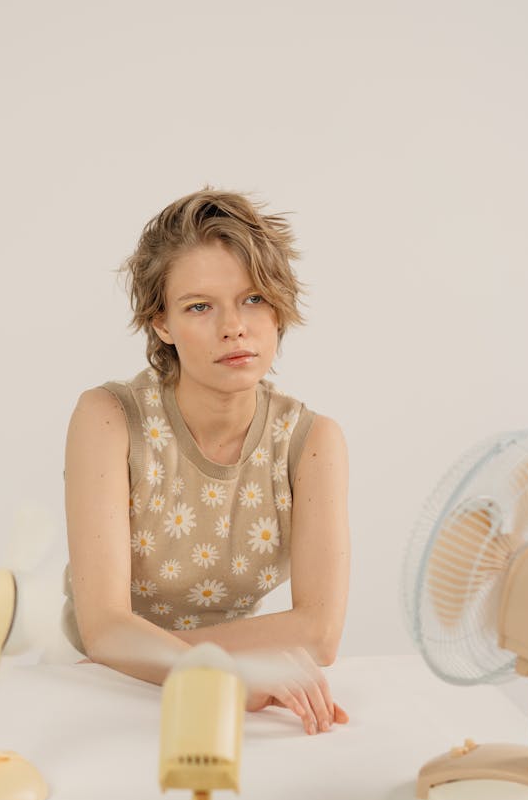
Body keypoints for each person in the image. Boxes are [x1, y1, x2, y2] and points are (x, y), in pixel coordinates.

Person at [63, 189, 350, 734]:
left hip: (236, 684)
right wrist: (220, 671)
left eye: (254, 299)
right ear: (162, 324)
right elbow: (101, 629)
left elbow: (319, 635)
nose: (233, 327)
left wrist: (193, 667)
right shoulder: (108, 418)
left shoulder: (311, 442)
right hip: (96, 686)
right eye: (199, 306)